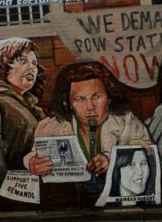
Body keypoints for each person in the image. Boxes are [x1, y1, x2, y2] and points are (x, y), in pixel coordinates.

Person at [23, 61, 149, 190]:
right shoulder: (50, 127)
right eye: (80, 99)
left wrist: (113, 160)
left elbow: (148, 155)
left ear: (109, 98)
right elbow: (34, 155)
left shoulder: (129, 124)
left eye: (97, 96)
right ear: (68, 103)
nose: (90, 107)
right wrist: (32, 163)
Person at [0, 37, 46, 174]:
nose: (32, 67)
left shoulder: (34, 107)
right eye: (23, 60)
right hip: (9, 189)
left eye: (34, 63)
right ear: (2, 64)